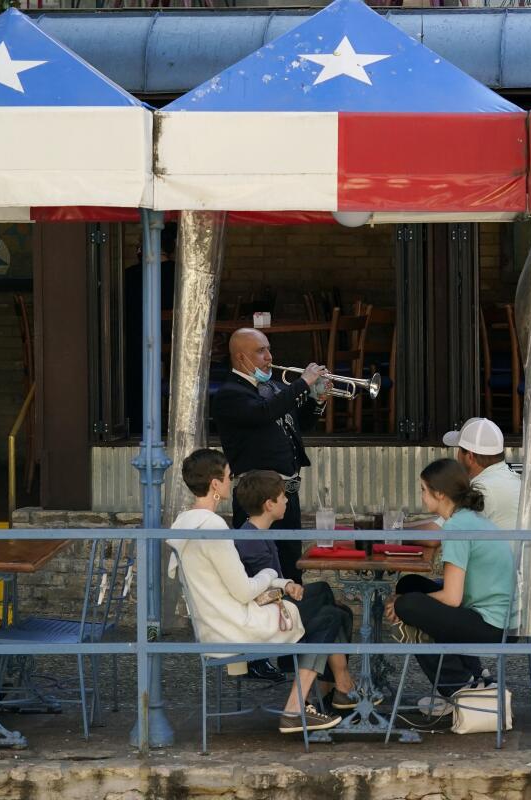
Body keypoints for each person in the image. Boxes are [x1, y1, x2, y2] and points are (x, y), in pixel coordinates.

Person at [167, 448, 348, 734]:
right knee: (329, 616)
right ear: (215, 484)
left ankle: (328, 694)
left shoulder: (184, 524)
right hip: (235, 625)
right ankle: (297, 708)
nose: (231, 482)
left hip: (214, 623)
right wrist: (271, 575)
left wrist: (276, 583)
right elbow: (243, 590)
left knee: (326, 608)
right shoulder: (213, 527)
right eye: (228, 477)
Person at [235, 469, 366, 709]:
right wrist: (286, 588)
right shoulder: (250, 540)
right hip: (268, 612)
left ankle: (334, 688)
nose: (287, 500)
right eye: (282, 496)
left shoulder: (255, 533)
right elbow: (258, 592)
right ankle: (341, 684)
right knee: (335, 613)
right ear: (268, 504)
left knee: (337, 605)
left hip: (276, 604)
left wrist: (287, 585)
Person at [386, 458, 516, 699]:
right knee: (409, 585)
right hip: (496, 615)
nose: (422, 497)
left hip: (493, 625)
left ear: (440, 494)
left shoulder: (456, 528)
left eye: (423, 490)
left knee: (408, 605)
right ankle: (475, 673)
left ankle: (458, 686)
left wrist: (400, 603)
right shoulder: (468, 519)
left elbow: (452, 598)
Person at [210, 327, 329, 582]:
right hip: (256, 495)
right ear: (241, 358)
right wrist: (302, 383)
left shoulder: (273, 388)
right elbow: (264, 413)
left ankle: (291, 615)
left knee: (290, 564)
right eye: (261, 351)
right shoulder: (229, 394)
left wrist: (316, 399)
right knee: (261, 566)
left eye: (268, 349)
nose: (269, 357)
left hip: (286, 493)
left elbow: (299, 424)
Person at [408, 417, 521, 533]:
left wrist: (396, 533)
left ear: (470, 457)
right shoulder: (515, 480)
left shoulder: (481, 488)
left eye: (459, 450)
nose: (457, 456)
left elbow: (439, 533)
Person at [123, 222, 177, 435]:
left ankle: (139, 426)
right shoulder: (182, 275)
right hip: (177, 353)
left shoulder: (130, 276)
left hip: (136, 348)